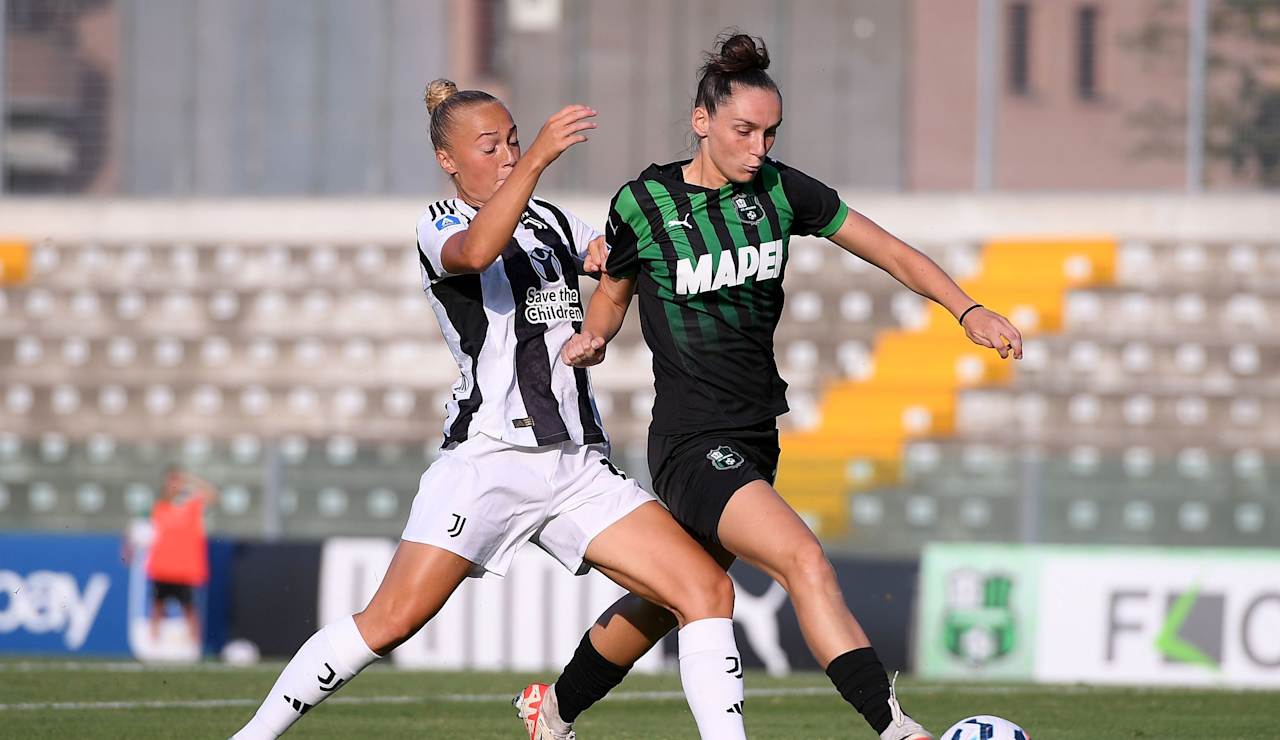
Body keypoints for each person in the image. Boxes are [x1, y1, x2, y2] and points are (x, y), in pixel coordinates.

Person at [518, 32, 1024, 740]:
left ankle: (555, 710)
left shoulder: (783, 191)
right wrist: (596, 336)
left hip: (757, 433)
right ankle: (895, 728)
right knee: (803, 558)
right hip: (693, 441)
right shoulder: (645, 201)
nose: (760, 147)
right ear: (703, 122)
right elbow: (613, 292)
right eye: (744, 130)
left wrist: (965, 308)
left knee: (668, 598)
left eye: (770, 131)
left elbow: (890, 251)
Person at [231, 79, 749, 740]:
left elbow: (621, 264)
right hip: (488, 461)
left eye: (512, 141)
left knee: (706, 591)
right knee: (391, 621)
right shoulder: (440, 222)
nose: (507, 154)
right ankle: (253, 735)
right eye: (491, 146)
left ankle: (572, 718)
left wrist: (620, 279)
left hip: (573, 465)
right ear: (450, 161)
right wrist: (536, 159)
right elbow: (475, 253)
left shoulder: (555, 223)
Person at [146, 467, 217, 645]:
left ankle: (194, 645)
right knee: (157, 608)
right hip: (162, 569)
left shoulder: (192, 508)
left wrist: (190, 479)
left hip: (184, 571)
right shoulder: (160, 508)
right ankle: (153, 644)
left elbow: (212, 495)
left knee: (189, 610)